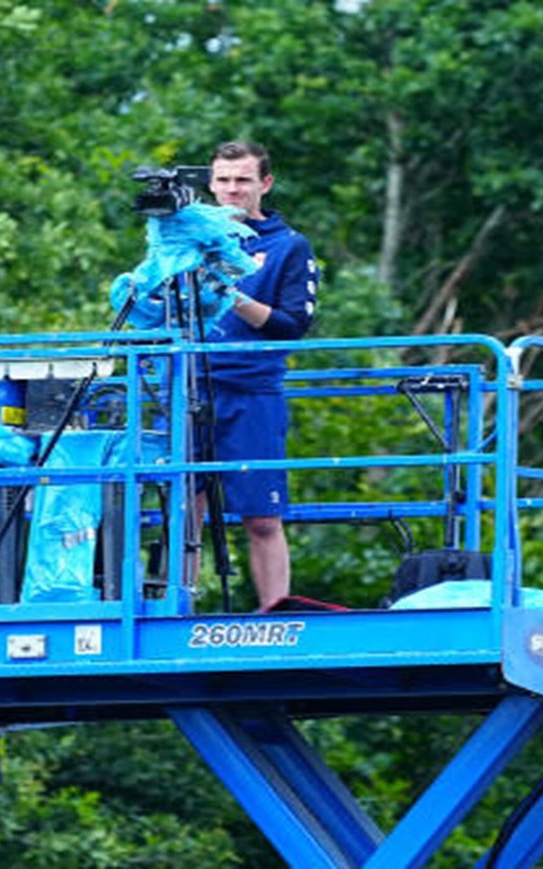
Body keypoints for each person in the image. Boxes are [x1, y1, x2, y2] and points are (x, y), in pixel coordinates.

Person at [200, 140, 318, 611]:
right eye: (224, 180)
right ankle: (175, 609)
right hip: (189, 384)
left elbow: (293, 325)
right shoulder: (186, 241)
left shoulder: (288, 246)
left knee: (262, 516)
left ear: (263, 184)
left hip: (253, 389)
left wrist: (231, 296)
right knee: (185, 511)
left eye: (243, 179)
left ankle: (276, 613)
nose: (232, 189)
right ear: (210, 184)